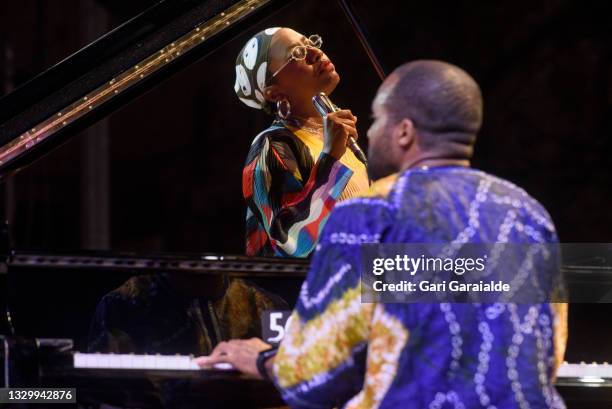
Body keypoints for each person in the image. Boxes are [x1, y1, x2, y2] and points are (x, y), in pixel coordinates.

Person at [198, 60, 568, 409]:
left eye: (377, 120)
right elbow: (550, 349)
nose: (370, 131)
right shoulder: (529, 212)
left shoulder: (370, 213)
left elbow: (313, 376)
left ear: (404, 131)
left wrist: (262, 359)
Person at [236, 27, 370, 258]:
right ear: (274, 93)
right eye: (297, 53)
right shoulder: (271, 146)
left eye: (310, 41)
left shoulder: (336, 129)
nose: (315, 52)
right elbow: (290, 241)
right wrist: (329, 158)